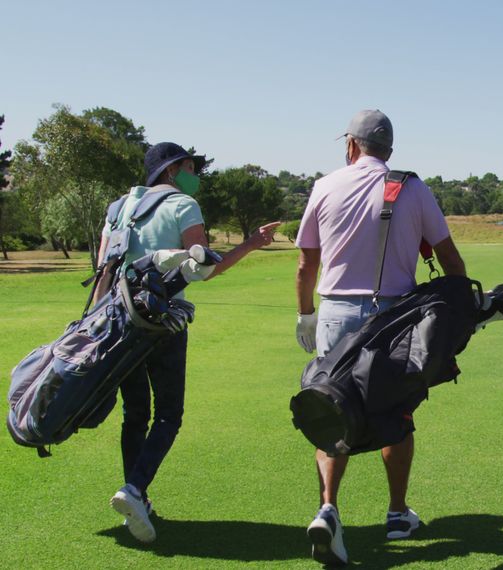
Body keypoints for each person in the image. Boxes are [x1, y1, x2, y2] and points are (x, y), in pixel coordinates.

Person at [294, 109, 466, 566]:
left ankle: (328, 509)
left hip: (334, 313)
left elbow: (307, 263)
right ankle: (396, 513)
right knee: (396, 413)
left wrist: (306, 314)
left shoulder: (325, 186)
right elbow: (450, 260)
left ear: (351, 145)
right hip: (394, 319)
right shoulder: (413, 188)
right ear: (389, 150)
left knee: (332, 408)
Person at [99, 142, 280, 543]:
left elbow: (103, 269)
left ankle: (139, 499)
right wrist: (250, 244)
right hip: (162, 321)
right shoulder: (183, 204)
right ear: (170, 170)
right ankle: (134, 490)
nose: (194, 175)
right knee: (168, 415)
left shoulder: (119, 208)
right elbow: (202, 270)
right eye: (190, 168)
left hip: (120, 321)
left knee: (134, 414)